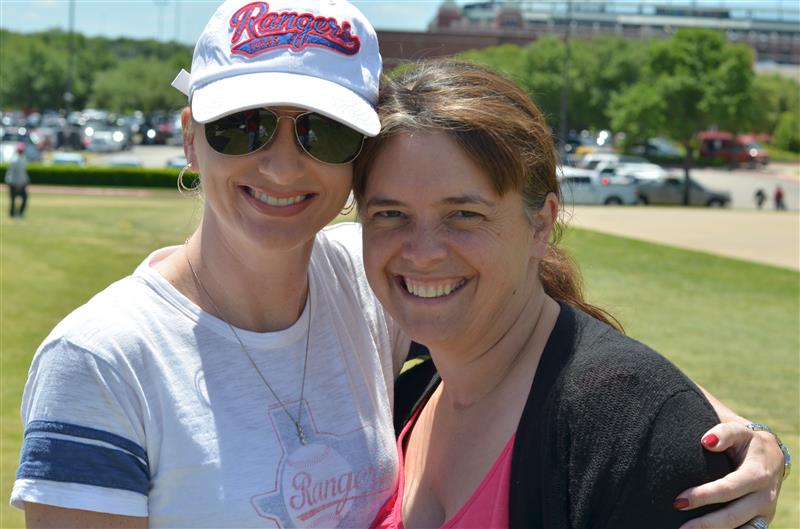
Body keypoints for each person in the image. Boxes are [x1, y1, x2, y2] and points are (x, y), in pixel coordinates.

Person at [10, 1, 786, 527]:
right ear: (189, 136)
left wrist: (714, 430)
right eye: (241, 126)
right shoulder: (102, 360)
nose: (281, 164)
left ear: (360, 157)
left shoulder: (369, 276)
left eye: (322, 133)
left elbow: (548, 337)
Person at [352, 60, 791, 529]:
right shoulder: (403, 398)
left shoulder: (629, 428)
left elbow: (643, 398)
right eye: (390, 214)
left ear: (540, 225)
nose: (422, 253)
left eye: (463, 214)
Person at [5, 142, 30, 218]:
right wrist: (17, 183)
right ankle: (13, 214)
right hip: (14, 183)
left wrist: (26, 180)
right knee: (14, 199)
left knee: (22, 198)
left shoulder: (22, 158)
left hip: (20, 182)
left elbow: (23, 172)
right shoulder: (15, 160)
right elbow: (14, 173)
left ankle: (18, 213)